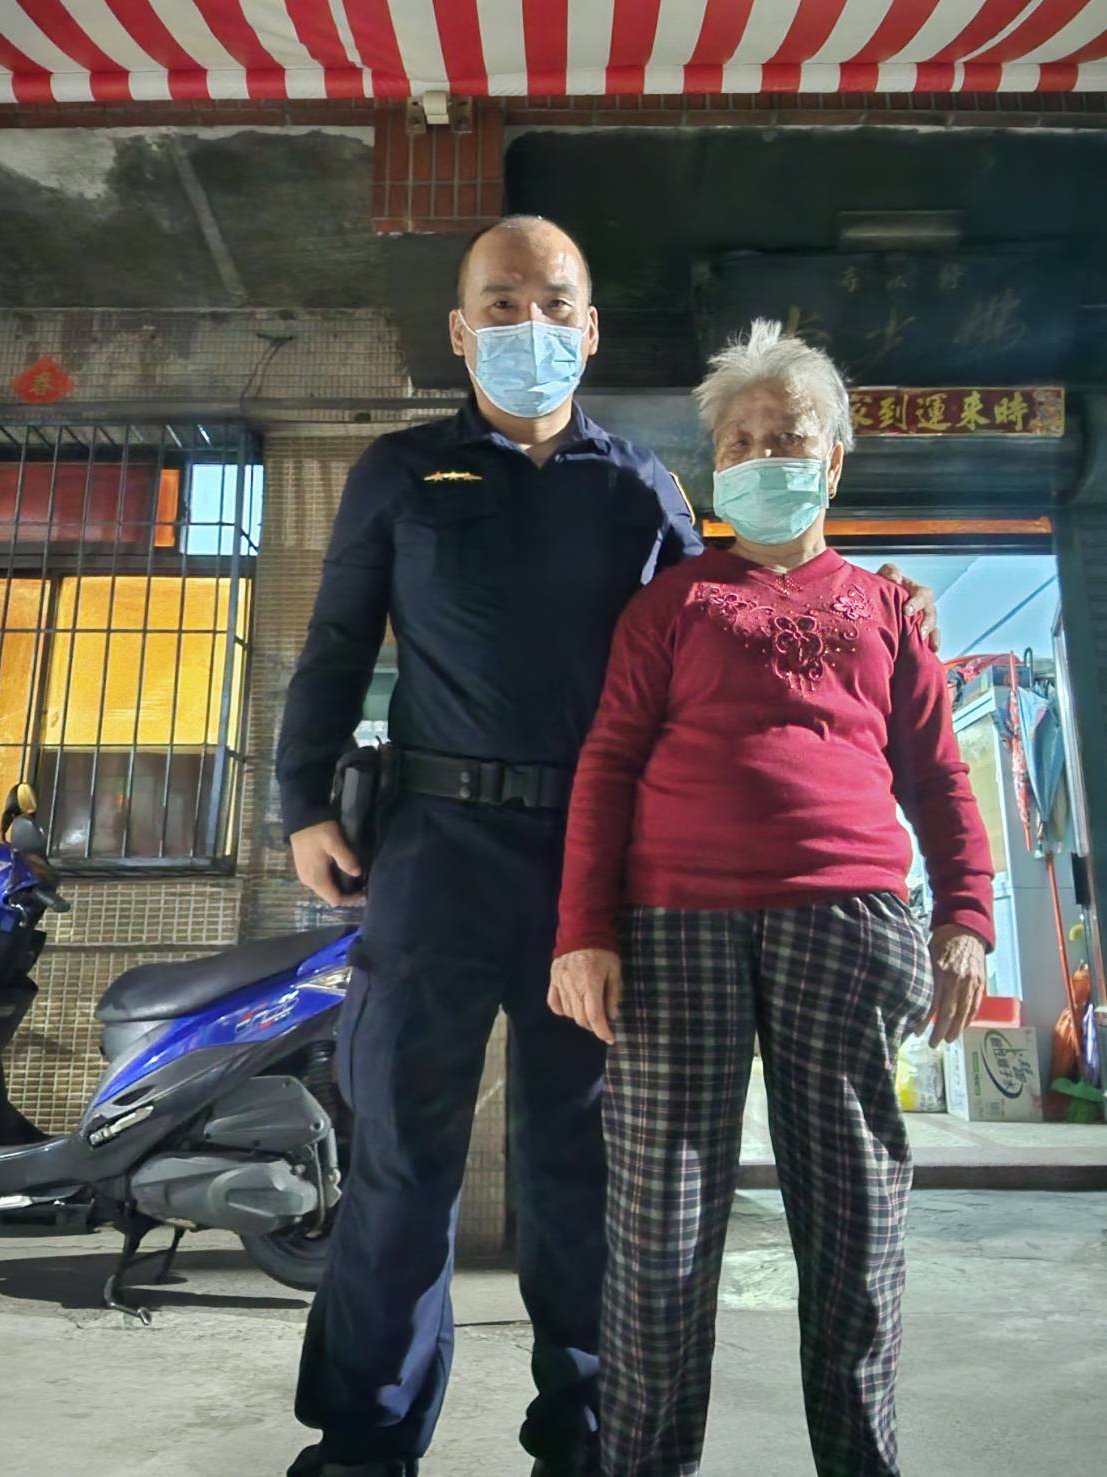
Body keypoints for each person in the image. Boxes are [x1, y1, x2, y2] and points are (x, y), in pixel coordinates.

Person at [276, 221, 938, 1477]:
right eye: (500, 302)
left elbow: (729, 615)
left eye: (553, 302)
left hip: (591, 868)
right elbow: (335, 641)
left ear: (588, 330)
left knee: (581, 1171)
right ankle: (364, 1440)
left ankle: (583, 1433)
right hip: (433, 850)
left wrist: (878, 595)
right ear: (461, 329)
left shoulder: (642, 487)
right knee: (401, 1163)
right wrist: (301, 799)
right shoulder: (398, 472)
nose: (527, 324)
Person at [549, 320, 992, 1477]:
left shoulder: (888, 611)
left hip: (849, 927)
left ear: (831, 460)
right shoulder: (671, 606)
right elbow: (605, 768)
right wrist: (583, 930)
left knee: (854, 1230)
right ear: (716, 469)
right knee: (658, 1240)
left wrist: (965, 917)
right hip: (670, 930)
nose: (760, 456)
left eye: (785, 437)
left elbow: (939, 778)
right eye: (739, 442)